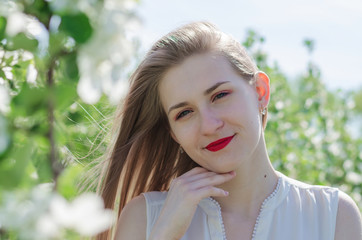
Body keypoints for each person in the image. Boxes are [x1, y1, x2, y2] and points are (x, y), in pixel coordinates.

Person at [96, 22, 362, 240]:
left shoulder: (333, 215)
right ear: (174, 132)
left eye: (220, 95)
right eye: (184, 113)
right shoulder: (146, 218)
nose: (210, 125)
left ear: (260, 92)